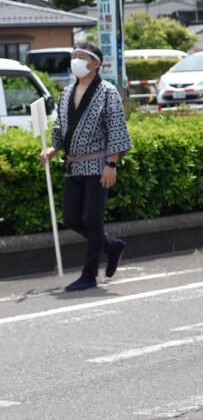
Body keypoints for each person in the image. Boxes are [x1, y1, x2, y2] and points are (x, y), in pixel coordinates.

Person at [40, 42, 132, 291]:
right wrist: (54, 148)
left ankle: (89, 275)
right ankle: (111, 246)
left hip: (98, 164)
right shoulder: (67, 92)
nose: (76, 61)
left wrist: (111, 164)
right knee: (71, 217)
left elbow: (116, 128)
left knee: (93, 220)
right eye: (74, 56)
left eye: (81, 57)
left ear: (95, 63)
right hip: (73, 165)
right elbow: (60, 125)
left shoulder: (107, 92)